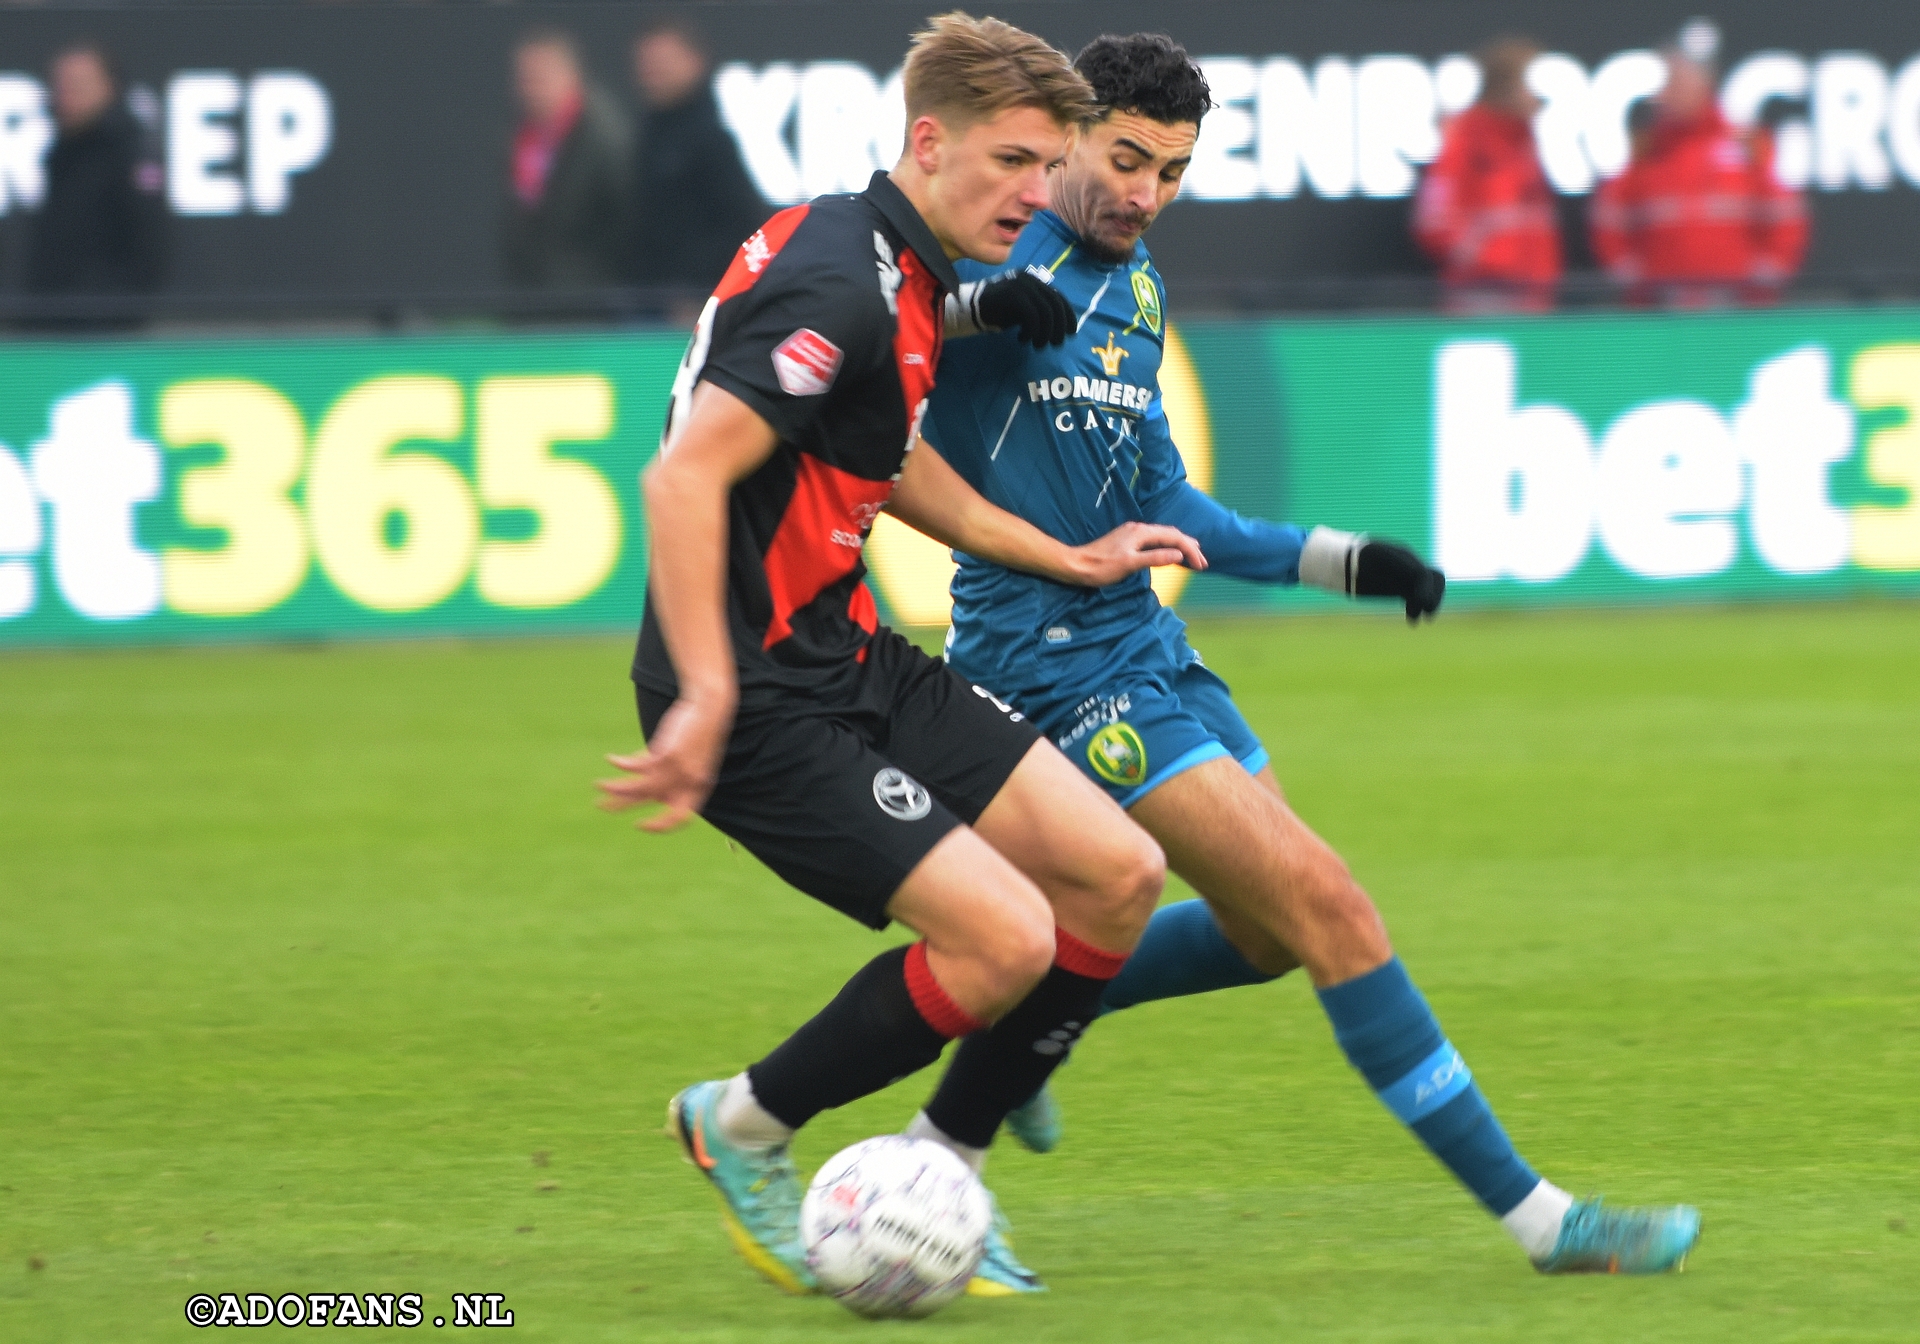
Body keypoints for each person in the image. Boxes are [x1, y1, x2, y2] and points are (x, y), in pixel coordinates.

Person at [918, 30, 1703, 1291]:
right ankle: (1544, 1221)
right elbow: (879, 336)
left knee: (1264, 936)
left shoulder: (1140, 287)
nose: (1143, 195)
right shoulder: (986, 245)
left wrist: (1349, 560)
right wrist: (968, 305)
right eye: (1124, 160)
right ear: (1066, 139)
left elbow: (1178, 504)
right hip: (1051, 671)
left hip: (1148, 646)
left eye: (1170, 172)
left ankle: (1032, 1029)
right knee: (1331, 905)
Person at [597, 13, 1202, 1297]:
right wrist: (705, 691)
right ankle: (741, 1125)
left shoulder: (896, 262)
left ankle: (943, 1168)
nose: (1040, 194)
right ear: (929, 144)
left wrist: (1064, 555)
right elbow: (680, 482)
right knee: (1001, 942)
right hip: (759, 694)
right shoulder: (836, 281)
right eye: (1016, 163)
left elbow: (884, 451)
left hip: (852, 652)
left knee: (1117, 874)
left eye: (1052, 167)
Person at [1590, 20, 1807, 308]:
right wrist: (1633, 279)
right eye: (1666, 83)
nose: (1668, 93)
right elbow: (1610, 217)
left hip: (1735, 302)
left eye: (1677, 81)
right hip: (1661, 305)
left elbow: (1786, 214)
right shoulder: (1646, 149)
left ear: (1704, 83)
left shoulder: (1745, 143)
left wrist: (1764, 280)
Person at [1412, 37, 1560, 314]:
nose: (1539, 96)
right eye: (1531, 84)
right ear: (1505, 86)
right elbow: (1432, 221)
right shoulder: (1462, 142)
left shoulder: (1525, 144)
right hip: (1481, 295)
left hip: (1534, 293)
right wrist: (1479, 257)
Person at [25, 42, 167, 328]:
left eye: (78, 84)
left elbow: (150, 245)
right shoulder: (59, 153)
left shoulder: (132, 155)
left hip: (105, 327)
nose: (65, 94)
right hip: (50, 322)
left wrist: (117, 310)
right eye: (60, 84)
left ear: (109, 86)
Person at [627, 22, 769, 307]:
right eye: (646, 63)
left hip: (692, 301)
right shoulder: (647, 133)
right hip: (644, 299)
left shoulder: (711, 139)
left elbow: (741, 223)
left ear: (695, 61)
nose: (653, 71)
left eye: (663, 62)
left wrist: (700, 292)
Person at [502, 30, 630, 290]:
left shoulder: (604, 137)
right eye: (524, 78)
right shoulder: (522, 138)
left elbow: (623, 222)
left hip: (588, 298)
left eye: (539, 77)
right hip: (531, 295)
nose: (529, 88)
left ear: (571, 76)